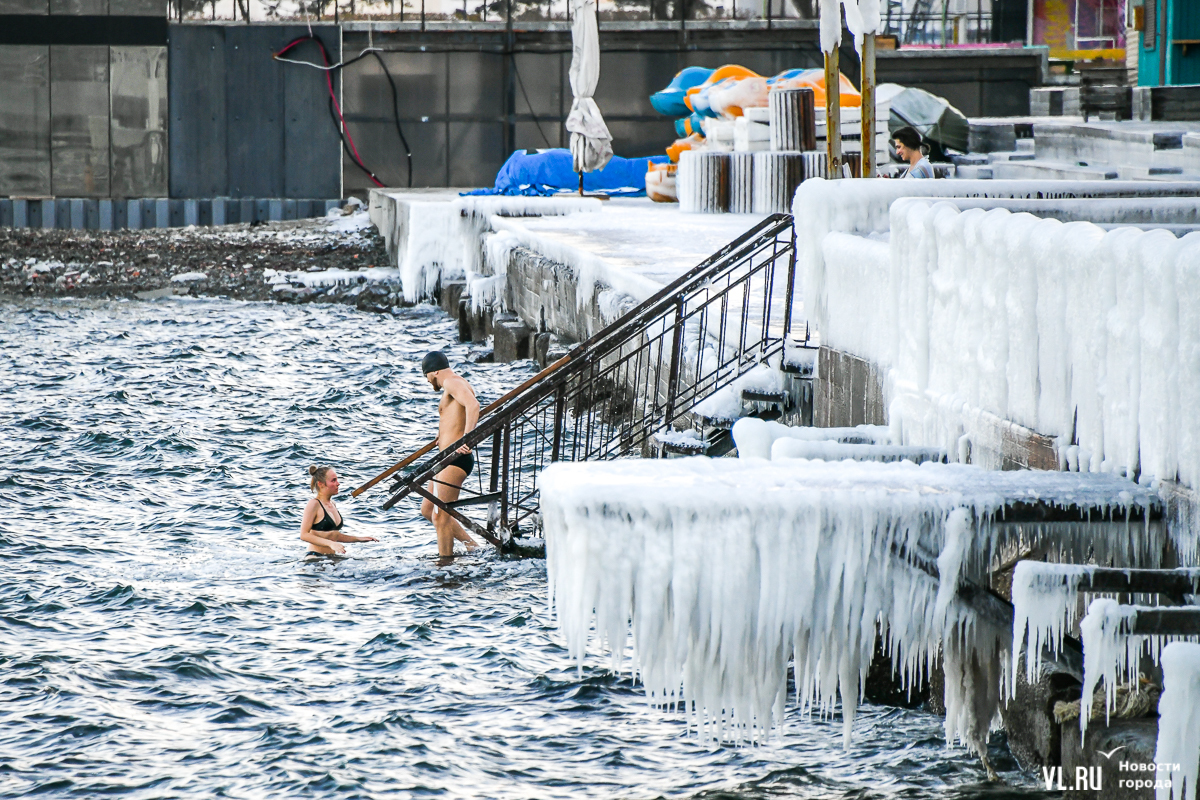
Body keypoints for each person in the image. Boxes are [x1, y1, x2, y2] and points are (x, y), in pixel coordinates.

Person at [419, 351, 482, 558]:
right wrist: (441, 435)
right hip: (445, 458)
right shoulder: (452, 385)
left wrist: (467, 438)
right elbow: (456, 415)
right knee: (428, 509)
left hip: (456, 458)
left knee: (441, 516)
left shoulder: (451, 382)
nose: (428, 381)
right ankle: (471, 545)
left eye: (427, 376)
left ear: (435, 371)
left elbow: (473, 405)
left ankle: (445, 566)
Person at [300, 465, 378, 556]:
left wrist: (359, 539)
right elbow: (304, 535)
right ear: (320, 484)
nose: (338, 483)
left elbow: (334, 535)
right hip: (315, 558)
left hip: (331, 558)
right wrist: (331, 544)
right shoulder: (314, 504)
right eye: (333, 480)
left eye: (337, 480)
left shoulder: (333, 504)